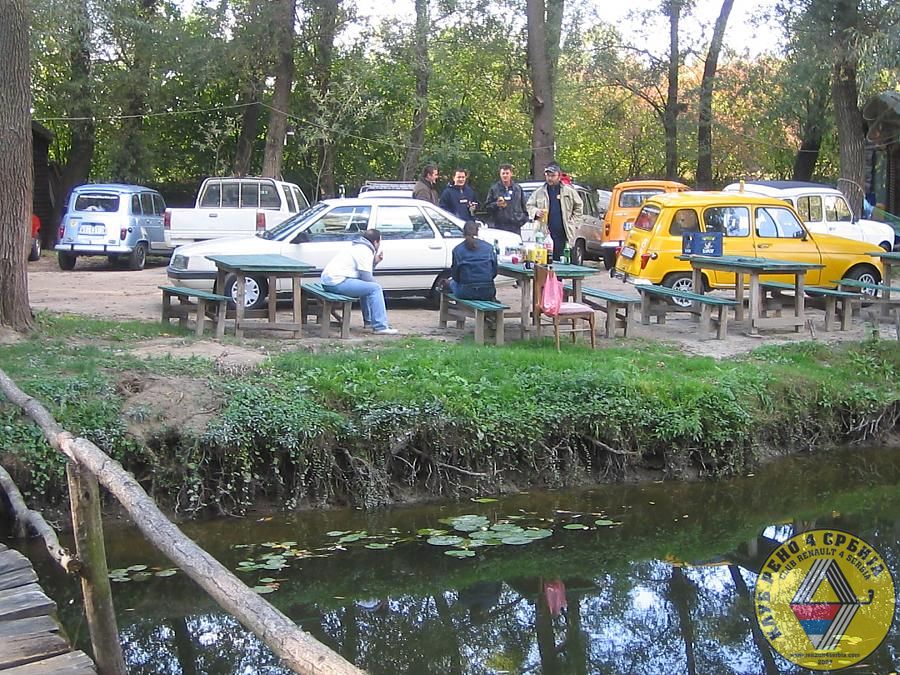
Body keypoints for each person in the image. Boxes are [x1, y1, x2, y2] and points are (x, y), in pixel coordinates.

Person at [320, 229, 398, 335]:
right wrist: (378, 289)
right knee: (375, 288)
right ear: (376, 242)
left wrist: (374, 262)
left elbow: (364, 277)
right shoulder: (365, 251)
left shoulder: (356, 247)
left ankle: (369, 322)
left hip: (328, 283)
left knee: (368, 288)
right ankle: (380, 326)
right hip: (337, 283)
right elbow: (366, 277)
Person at [526, 162, 584, 261]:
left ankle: (559, 277)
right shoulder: (539, 192)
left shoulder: (569, 191)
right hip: (545, 234)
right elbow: (529, 206)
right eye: (548, 175)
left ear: (559, 176)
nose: (550, 178)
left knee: (562, 262)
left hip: (563, 233)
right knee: (545, 262)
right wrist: (536, 212)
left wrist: (573, 223)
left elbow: (579, 206)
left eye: (553, 175)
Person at [446, 221, 497, 300]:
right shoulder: (489, 247)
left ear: (463, 232)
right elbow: (494, 272)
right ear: (477, 231)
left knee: (451, 283)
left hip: (466, 292)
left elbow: (455, 276)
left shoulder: (457, 250)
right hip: (488, 291)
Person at [484, 163, 528, 234]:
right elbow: (487, 207)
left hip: (515, 227)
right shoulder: (494, 189)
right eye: (503, 173)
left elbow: (524, 207)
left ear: (511, 174)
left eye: (507, 173)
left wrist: (521, 220)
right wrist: (496, 204)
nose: (505, 175)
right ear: (500, 174)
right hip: (499, 227)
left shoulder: (518, 189)